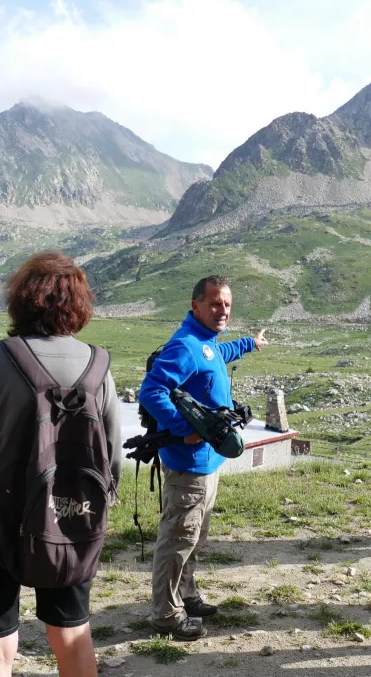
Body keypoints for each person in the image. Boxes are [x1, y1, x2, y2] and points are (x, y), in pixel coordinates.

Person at [0, 252, 122, 677]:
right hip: (70, 525)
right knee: (73, 639)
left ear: (21, 300)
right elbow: (111, 459)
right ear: (79, 305)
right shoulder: (99, 366)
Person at [139, 275, 269, 641]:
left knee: (195, 536)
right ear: (195, 304)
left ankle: (186, 594)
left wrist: (250, 344)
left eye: (226, 304)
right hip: (188, 464)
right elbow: (152, 391)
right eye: (214, 303)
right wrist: (183, 428)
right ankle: (165, 614)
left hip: (207, 462)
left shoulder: (205, 343)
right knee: (178, 538)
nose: (222, 310)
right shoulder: (184, 345)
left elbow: (219, 353)